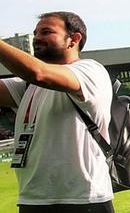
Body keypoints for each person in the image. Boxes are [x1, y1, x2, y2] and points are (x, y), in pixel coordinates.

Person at [0, 12, 114, 212]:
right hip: (32, 200)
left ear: (74, 39)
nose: (37, 38)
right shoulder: (28, 86)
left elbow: (39, 73)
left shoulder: (90, 71)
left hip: (83, 200)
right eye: (35, 33)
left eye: (47, 32)